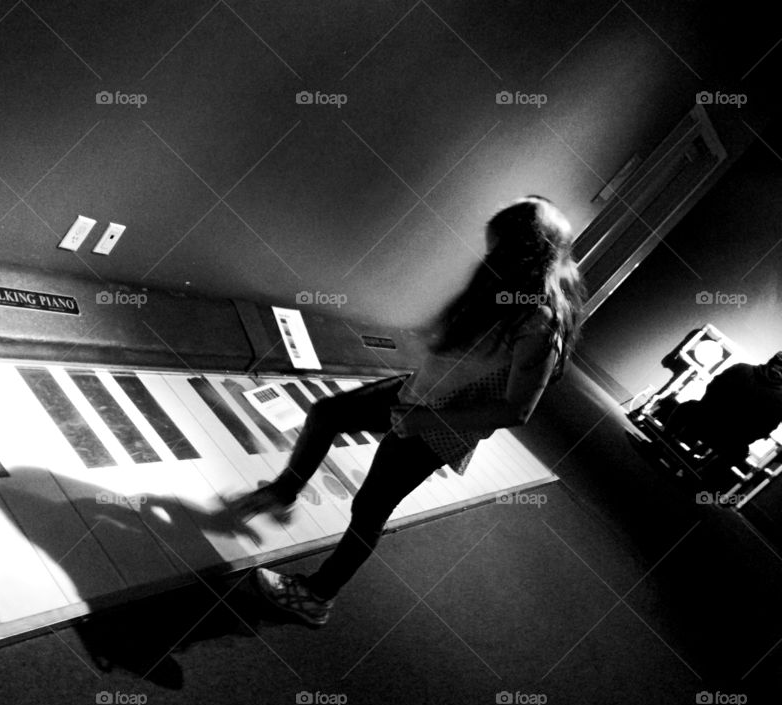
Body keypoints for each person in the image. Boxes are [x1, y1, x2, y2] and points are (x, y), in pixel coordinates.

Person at [227, 196, 586, 627]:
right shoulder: (502, 294)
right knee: (327, 414)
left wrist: (425, 420)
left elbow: (516, 411)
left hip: (435, 427)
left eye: (497, 251)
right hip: (414, 396)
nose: (488, 259)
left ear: (524, 255)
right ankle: (284, 492)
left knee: (370, 510)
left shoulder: (539, 323)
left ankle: (317, 596)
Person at [666, 351, 782, 490]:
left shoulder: (742, 368)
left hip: (704, 420)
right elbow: (765, 429)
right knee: (739, 452)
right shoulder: (779, 398)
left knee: (688, 407)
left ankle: (663, 441)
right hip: (729, 439)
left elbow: (712, 388)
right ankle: (697, 475)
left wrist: (711, 410)